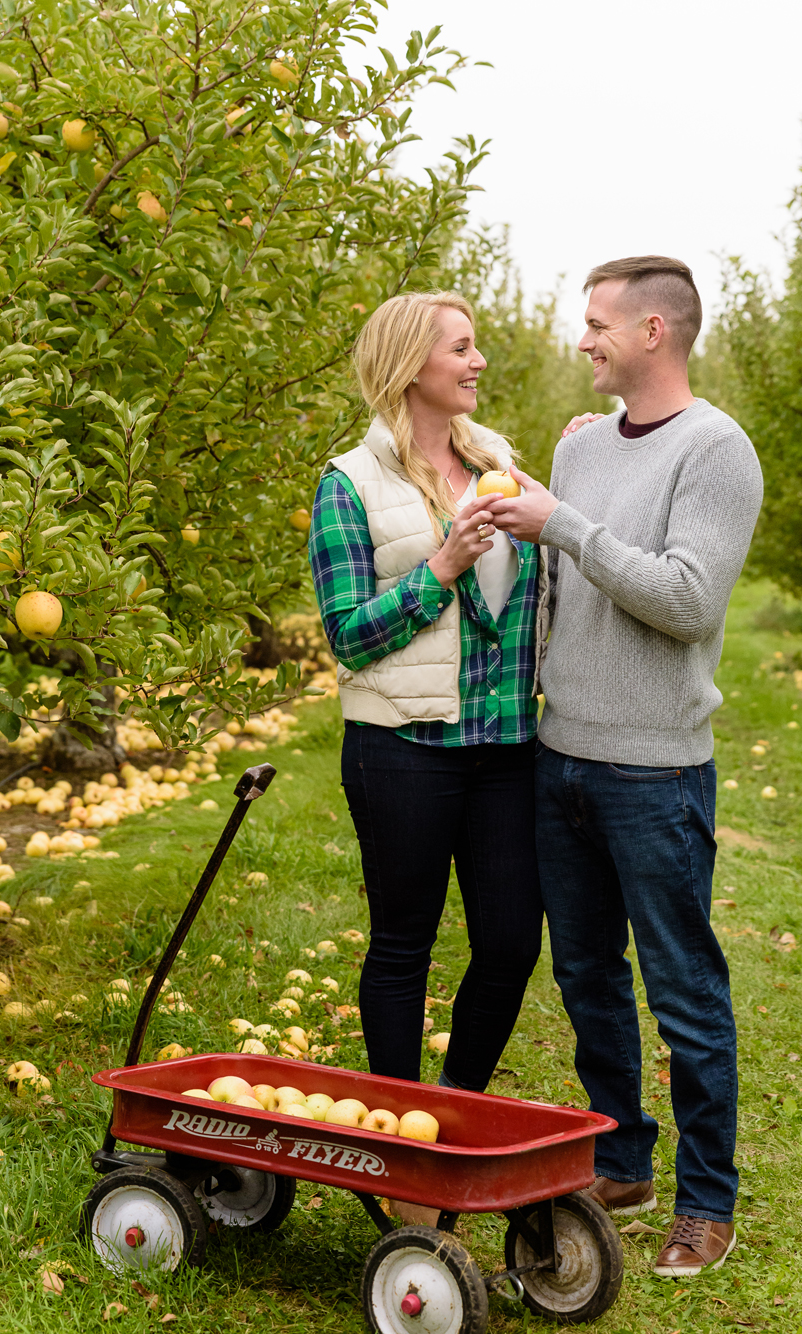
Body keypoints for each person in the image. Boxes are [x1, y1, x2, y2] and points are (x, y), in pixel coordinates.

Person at [484, 256, 763, 1277]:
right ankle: (619, 1158)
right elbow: (567, 587)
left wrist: (560, 518)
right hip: (562, 757)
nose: (581, 339)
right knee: (585, 972)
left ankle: (706, 1200)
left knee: (682, 984)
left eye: (597, 323)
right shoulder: (583, 447)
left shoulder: (715, 451)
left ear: (654, 331)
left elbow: (686, 599)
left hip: (653, 771)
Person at [308, 291, 547, 1224]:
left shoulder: (497, 461)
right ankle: (397, 1154)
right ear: (413, 365)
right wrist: (441, 566)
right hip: (403, 748)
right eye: (463, 346)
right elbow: (348, 634)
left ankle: (447, 1110)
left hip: (504, 746)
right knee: (403, 943)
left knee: (509, 946)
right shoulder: (348, 483)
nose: (479, 360)